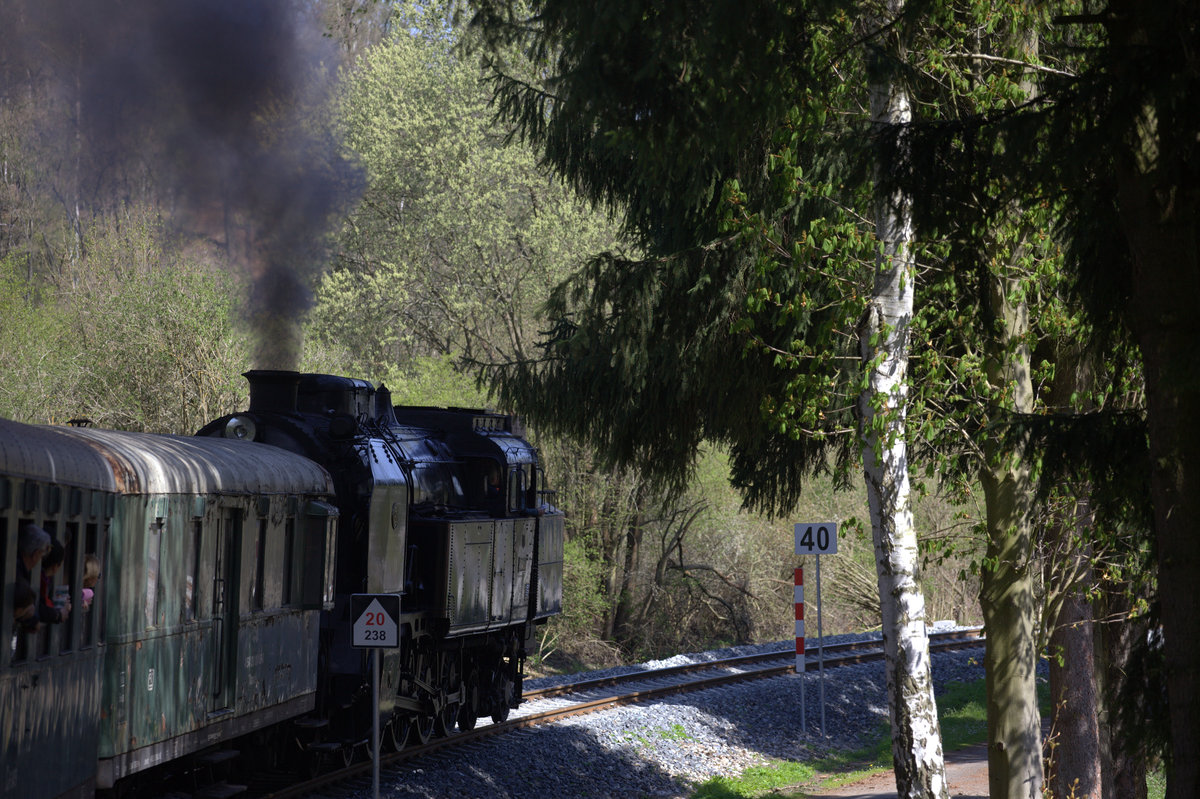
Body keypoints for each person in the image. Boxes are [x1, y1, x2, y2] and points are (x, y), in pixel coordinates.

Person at [38, 538, 71, 624]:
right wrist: (59, 612)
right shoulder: (42, 580)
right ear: (56, 566)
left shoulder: (46, 579)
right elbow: (41, 605)